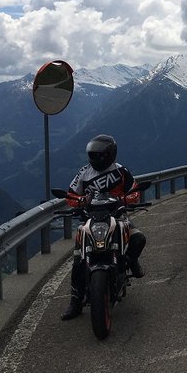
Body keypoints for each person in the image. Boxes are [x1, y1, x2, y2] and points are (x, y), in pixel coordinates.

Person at [60, 134, 147, 321]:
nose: (97, 159)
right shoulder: (84, 172)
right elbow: (70, 195)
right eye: (94, 155)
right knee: (78, 260)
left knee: (138, 238)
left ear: (110, 154)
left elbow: (135, 191)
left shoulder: (121, 171)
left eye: (100, 155)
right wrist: (82, 201)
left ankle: (131, 261)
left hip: (118, 216)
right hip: (89, 220)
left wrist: (126, 199)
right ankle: (75, 301)